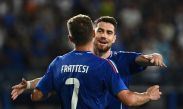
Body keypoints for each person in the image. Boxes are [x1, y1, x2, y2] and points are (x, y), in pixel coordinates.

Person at [11, 15, 163, 108]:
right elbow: (52, 78)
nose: (104, 35)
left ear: (114, 38)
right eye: (100, 31)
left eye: (109, 33)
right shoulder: (104, 66)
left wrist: (155, 55)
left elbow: (142, 59)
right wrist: (148, 95)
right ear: (93, 34)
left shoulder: (61, 62)